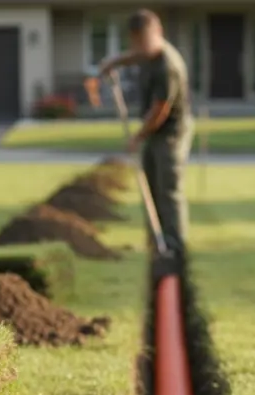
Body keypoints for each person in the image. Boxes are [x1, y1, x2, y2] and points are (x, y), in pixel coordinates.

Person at [93, 10, 193, 261]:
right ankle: (156, 242)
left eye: (144, 40)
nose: (140, 47)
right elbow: (135, 56)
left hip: (171, 133)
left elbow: (160, 109)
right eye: (136, 41)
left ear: (157, 33)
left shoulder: (167, 65)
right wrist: (113, 63)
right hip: (154, 130)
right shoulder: (147, 53)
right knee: (149, 185)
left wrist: (137, 137)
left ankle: (174, 247)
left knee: (168, 189)